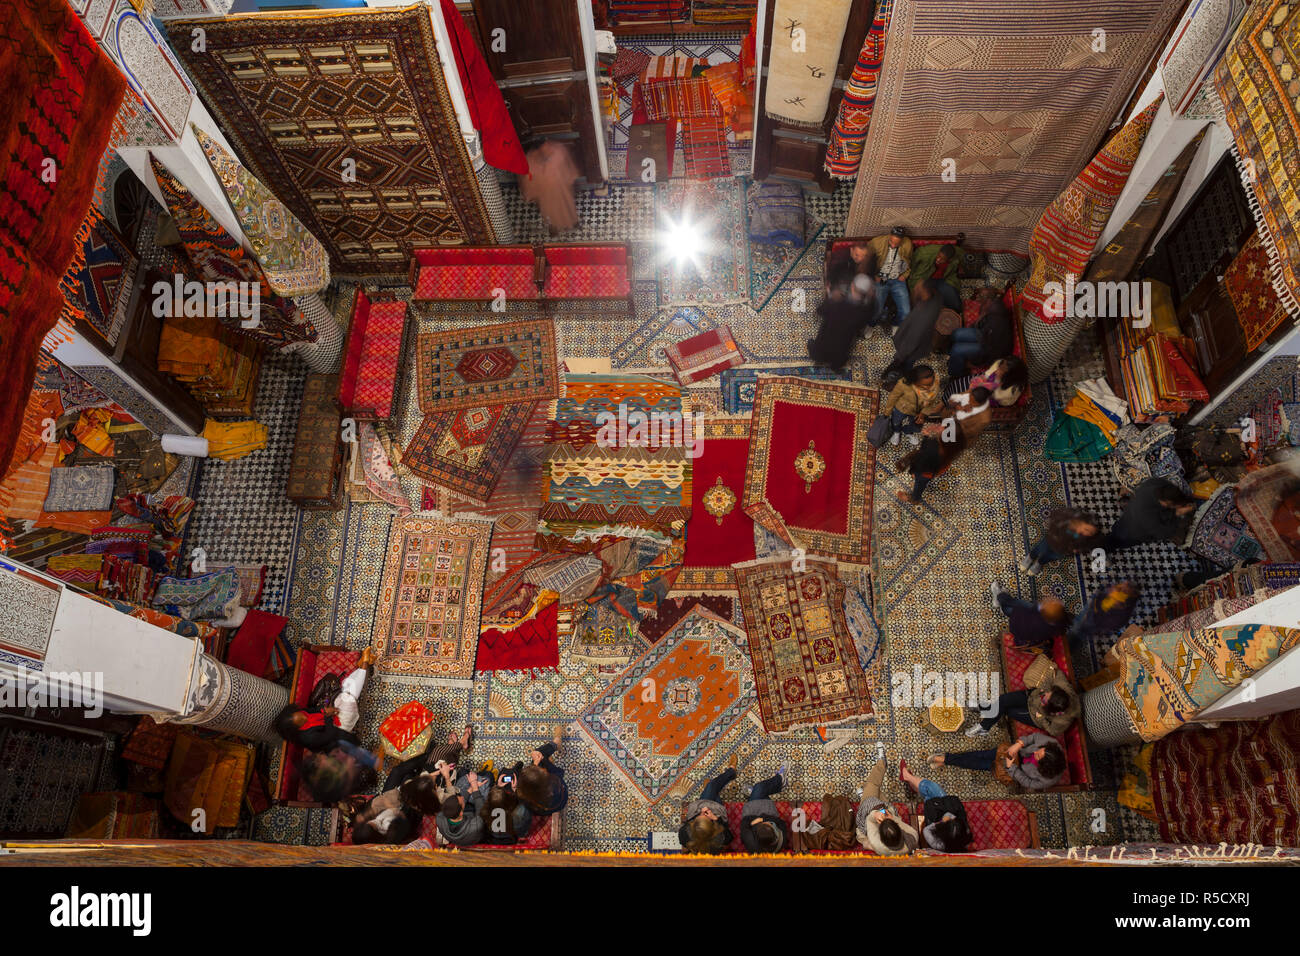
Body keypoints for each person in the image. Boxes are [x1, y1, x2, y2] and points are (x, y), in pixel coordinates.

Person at [965, 657, 1080, 738]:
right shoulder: (1063, 687)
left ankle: (983, 713)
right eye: (1047, 694)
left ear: (1052, 710)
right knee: (1003, 700)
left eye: (1045, 699)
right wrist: (1044, 688)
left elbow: (1053, 732)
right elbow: (1057, 673)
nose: (1043, 697)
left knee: (1006, 709)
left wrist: (1041, 719)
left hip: (1032, 714)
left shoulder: (1063, 721)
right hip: (1030, 696)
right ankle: (985, 724)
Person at [930, 732, 1066, 791]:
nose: (1035, 752)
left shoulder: (1048, 779)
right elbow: (1034, 738)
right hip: (1012, 752)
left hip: (1012, 767)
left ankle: (946, 759)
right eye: (1039, 750)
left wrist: (1011, 767)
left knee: (977, 764)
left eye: (1037, 756)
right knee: (979, 755)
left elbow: (1027, 782)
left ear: (1042, 766)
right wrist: (1018, 744)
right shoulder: (1051, 745)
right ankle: (946, 759)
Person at [1104, 477, 1198, 552]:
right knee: (1119, 540)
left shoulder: (1157, 484)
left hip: (1129, 516)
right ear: (1165, 503)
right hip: (1134, 533)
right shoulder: (1147, 514)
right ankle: (1105, 548)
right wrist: (1177, 514)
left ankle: (1112, 535)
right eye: (1174, 505)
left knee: (1119, 527)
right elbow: (1163, 533)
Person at [900, 762, 972, 853]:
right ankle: (911, 782)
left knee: (931, 789)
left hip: (934, 816)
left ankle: (907, 777)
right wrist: (950, 817)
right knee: (930, 793)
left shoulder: (938, 844)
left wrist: (941, 822)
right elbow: (960, 816)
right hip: (946, 808)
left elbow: (926, 830)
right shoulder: (965, 836)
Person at [883, 279, 943, 383]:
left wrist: (900, 357)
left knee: (903, 367)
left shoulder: (923, 317)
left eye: (918, 288)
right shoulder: (936, 299)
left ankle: (899, 381)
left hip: (912, 350)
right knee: (906, 365)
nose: (915, 288)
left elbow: (912, 341)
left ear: (925, 293)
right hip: (920, 343)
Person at [854, 759, 917, 855]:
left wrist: (876, 814)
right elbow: (910, 830)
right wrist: (893, 818)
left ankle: (882, 762)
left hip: (867, 818)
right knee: (875, 792)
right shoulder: (912, 839)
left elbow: (869, 819)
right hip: (885, 809)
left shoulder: (877, 845)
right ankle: (864, 795)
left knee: (872, 785)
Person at [1019, 506, 1105, 576]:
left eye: (1091, 533)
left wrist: (1077, 550)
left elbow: (1087, 546)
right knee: (1040, 549)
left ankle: (1040, 562)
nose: (1087, 533)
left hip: (1064, 551)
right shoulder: (1068, 521)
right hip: (1051, 541)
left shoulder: (1090, 538)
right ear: (1081, 522)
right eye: (1087, 529)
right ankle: (1030, 557)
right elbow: (1055, 518)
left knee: (1050, 557)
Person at [948, 290, 1015, 379]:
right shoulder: (990, 305)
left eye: (980, 296)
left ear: (987, 299)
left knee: (957, 349)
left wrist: (976, 363)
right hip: (984, 335)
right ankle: (956, 359)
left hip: (991, 347)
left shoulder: (996, 322)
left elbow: (995, 351)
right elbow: (979, 326)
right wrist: (981, 317)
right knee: (957, 333)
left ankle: (956, 374)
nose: (977, 298)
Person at [896, 428, 967, 504]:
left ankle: (914, 499)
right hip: (938, 467)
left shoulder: (931, 447)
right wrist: (926, 436)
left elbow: (920, 465)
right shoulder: (949, 446)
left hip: (927, 473)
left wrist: (914, 472)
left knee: (919, 485)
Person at [989, 582, 1068, 650]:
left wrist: (1018, 613)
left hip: (1021, 617)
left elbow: (1015, 627)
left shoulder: (1032, 624)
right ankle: (1003, 597)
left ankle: (999, 600)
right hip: (1032, 613)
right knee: (1018, 603)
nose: (1050, 599)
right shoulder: (1058, 620)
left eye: (1049, 602)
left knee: (1010, 608)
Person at [1067, 581, 1140, 650]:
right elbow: (1106, 591)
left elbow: (1103, 626)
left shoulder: (1120, 617)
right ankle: (1074, 625)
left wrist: (1089, 620)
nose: (1116, 589)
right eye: (1120, 587)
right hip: (1093, 608)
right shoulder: (1118, 592)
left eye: (1123, 591)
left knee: (1077, 634)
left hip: (1092, 623)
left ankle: (1068, 647)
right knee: (1077, 622)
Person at [881, 365, 944, 445]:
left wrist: (923, 413)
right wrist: (887, 412)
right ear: (915, 381)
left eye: (930, 384)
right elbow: (893, 396)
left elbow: (930, 402)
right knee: (896, 421)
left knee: (916, 427)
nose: (929, 388)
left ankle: (908, 431)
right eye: (925, 385)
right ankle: (897, 432)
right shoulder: (904, 384)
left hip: (917, 411)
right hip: (901, 408)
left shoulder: (934, 386)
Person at [679, 766, 737, 854]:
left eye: (699, 817)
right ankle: (731, 772)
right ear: (712, 828)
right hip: (717, 813)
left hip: (703, 815)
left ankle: (729, 773)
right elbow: (729, 836)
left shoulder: (684, 834)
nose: (703, 813)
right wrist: (715, 818)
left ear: (693, 825)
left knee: (711, 790)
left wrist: (698, 814)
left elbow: (687, 822)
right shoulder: (719, 838)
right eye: (705, 817)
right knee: (712, 787)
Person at [809, 294, 873, 371]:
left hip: (824, 345)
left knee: (816, 347)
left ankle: (819, 359)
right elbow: (860, 326)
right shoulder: (863, 311)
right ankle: (835, 367)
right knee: (840, 354)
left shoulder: (837, 301)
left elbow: (820, 311)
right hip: (840, 350)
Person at [513, 732, 568, 817]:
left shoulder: (522, 794)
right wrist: (542, 759)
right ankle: (555, 744)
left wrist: (535, 763)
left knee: (539, 755)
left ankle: (554, 745)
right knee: (540, 753)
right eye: (543, 772)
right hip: (561, 799)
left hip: (542, 810)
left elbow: (529, 782)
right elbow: (560, 772)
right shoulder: (554, 783)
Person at [869, 225, 914, 322]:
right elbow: (867, 260)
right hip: (881, 279)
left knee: (906, 312)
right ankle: (871, 326)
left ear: (902, 240)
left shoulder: (908, 243)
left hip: (898, 280)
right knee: (877, 310)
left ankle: (896, 327)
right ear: (889, 236)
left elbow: (909, 261)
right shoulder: (877, 242)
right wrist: (874, 275)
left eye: (896, 244)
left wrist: (905, 275)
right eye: (891, 242)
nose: (893, 245)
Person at [739, 769, 790, 854]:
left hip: (750, 816)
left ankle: (754, 794)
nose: (768, 823)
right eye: (770, 825)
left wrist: (752, 823)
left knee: (759, 790)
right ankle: (780, 781)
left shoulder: (751, 843)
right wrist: (763, 819)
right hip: (770, 815)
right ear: (775, 834)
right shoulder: (782, 841)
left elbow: (744, 824)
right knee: (759, 787)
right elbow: (781, 822)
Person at [909, 240, 963, 311]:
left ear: (949, 259)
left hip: (942, 280)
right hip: (926, 278)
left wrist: (961, 267)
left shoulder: (957, 254)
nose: (938, 259)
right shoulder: (924, 253)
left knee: (954, 300)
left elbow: (962, 254)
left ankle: (954, 314)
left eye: (942, 259)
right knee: (921, 301)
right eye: (938, 256)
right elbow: (912, 264)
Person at [480, 778, 533, 845]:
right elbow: (526, 803)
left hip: (492, 840)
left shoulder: (483, 812)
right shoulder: (519, 814)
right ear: (508, 801)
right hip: (511, 840)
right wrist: (515, 791)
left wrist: (497, 786)